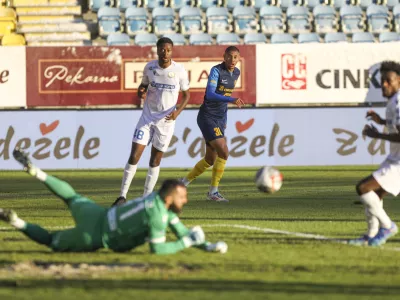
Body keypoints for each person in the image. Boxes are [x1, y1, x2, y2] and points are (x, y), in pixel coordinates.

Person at [0, 148, 227, 254]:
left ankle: (37, 172)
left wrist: (206, 246)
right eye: (182, 196)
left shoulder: (157, 204)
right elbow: (157, 250)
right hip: (95, 235)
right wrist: (187, 243)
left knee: (71, 196)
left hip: (97, 213)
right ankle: (17, 222)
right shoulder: (157, 215)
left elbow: (180, 230)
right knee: (51, 241)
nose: (186, 199)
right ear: (169, 197)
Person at [113, 37, 190, 206]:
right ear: (157, 50)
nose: (165, 53)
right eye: (162, 49)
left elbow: (186, 95)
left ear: (172, 51)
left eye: (168, 50)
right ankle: (122, 196)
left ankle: (146, 198)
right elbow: (143, 86)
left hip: (166, 122)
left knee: (155, 160)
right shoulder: (149, 67)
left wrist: (177, 112)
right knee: (134, 156)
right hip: (147, 118)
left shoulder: (179, 70)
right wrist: (140, 91)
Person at [180, 46, 245, 202]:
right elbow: (210, 94)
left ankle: (183, 183)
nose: (232, 60)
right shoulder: (216, 71)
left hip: (219, 118)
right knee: (224, 152)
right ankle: (213, 192)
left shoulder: (236, 73)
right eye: (229, 57)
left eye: (235, 57)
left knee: (210, 159)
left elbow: (224, 97)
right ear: (224, 56)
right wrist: (231, 99)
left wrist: (224, 121)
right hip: (207, 116)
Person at [348, 60, 400, 247]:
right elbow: (396, 124)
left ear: (399, 81)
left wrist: (376, 133)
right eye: (382, 81)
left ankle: (388, 227)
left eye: (388, 80)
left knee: (363, 188)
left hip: (398, 163)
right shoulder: (394, 101)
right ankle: (371, 235)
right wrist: (381, 121)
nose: (384, 85)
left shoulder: (398, 102)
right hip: (394, 159)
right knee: (374, 196)